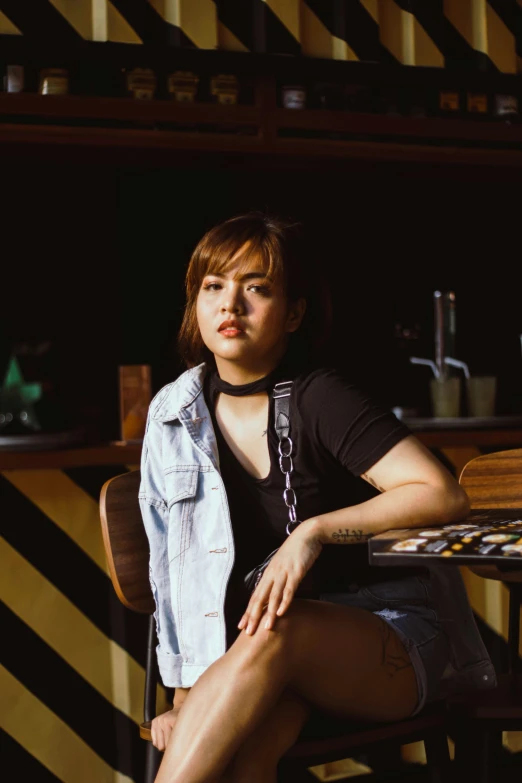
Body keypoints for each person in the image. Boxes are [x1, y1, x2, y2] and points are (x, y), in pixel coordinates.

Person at [139, 212, 495, 783]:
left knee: (276, 632)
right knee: (244, 760)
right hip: (258, 658)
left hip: (390, 635)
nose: (231, 304)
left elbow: (442, 495)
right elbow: (172, 565)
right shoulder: (174, 414)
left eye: (256, 288)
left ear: (295, 313)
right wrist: (187, 694)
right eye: (214, 287)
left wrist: (315, 531)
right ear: (196, 304)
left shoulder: (320, 397)